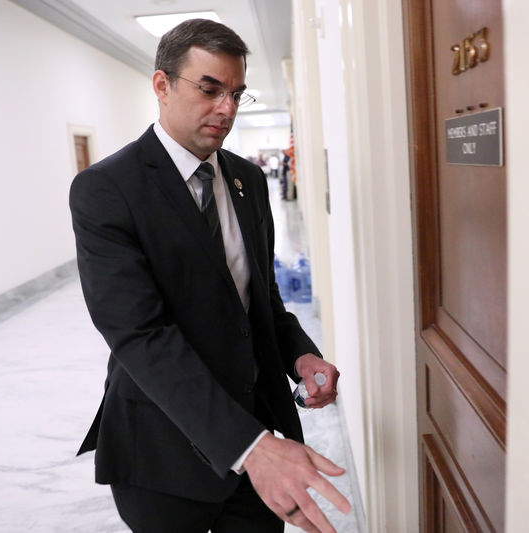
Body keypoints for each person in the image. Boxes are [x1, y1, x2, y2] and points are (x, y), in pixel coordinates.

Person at [69, 18, 350, 533]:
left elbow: (260, 297)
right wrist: (250, 447)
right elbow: (141, 335)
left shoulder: (247, 180)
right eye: (210, 89)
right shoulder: (107, 189)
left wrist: (300, 354)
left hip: (259, 429)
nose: (227, 109)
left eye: (236, 93)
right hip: (162, 451)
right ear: (162, 85)